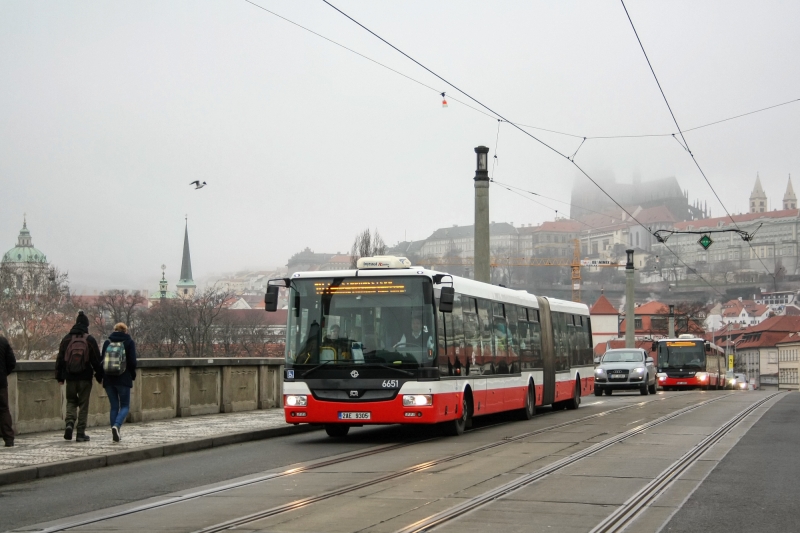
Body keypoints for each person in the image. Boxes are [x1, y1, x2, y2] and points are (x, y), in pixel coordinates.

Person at [56, 311, 103, 442]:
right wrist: (100, 377)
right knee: (83, 404)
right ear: (86, 325)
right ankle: (80, 432)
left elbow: (60, 359)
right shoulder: (90, 340)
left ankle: (69, 423)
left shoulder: (66, 339)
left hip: (70, 377)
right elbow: (97, 361)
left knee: (70, 402)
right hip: (85, 377)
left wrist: (60, 377)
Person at [101, 323, 137, 443]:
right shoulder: (129, 342)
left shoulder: (107, 342)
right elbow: (132, 362)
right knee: (125, 406)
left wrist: (101, 377)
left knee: (114, 407)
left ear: (114, 330)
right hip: (123, 378)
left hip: (109, 379)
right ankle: (117, 426)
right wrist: (133, 375)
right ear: (125, 331)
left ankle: (114, 432)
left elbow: (102, 361)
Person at [0, 335, 16, 447]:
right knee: (3, 409)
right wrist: (4, 373)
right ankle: (9, 439)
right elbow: (11, 362)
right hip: (1, 382)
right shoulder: (3, 341)